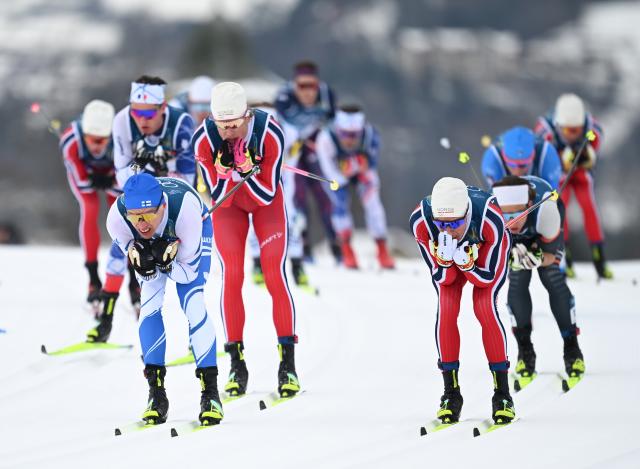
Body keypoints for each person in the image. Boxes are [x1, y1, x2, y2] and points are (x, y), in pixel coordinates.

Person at [194, 82, 300, 398]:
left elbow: (268, 193)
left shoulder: (270, 133)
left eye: (234, 125)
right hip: (230, 208)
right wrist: (227, 175)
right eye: (221, 126)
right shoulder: (204, 139)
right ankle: (236, 365)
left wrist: (246, 170)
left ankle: (288, 365)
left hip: (266, 204)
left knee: (273, 275)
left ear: (247, 115)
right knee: (233, 276)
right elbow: (218, 199)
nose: (228, 132)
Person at [106, 173, 222, 426]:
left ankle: (210, 394)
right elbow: (137, 256)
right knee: (148, 306)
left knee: (193, 304)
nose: (142, 224)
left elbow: (187, 274)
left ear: (163, 206)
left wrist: (166, 263)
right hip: (163, 243)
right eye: (135, 215)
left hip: (189, 230)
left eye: (148, 215)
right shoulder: (117, 219)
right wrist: (146, 263)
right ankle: (156, 395)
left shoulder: (184, 212)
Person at [410, 177, 514, 425]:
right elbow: (442, 279)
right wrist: (446, 262)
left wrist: (468, 265)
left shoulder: (490, 218)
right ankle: (451, 394)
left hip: (483, 260)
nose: (447, 230)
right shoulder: (421, 222)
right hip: (457, 262)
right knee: (446, 310)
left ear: (466, 214)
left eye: (454, 223)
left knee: (484, 308)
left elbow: (485, 280)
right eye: (441, 224)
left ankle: (502, 394)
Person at [492, 175, 585, 388]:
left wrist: (538, 257)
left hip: (542, 231)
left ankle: (572, 348)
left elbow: (552, 258)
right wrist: (508, 255)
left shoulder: (546, 212)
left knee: (551, 276)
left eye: (517, 213)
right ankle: (525, 351)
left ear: (530, 206)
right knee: (517, 276)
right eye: (506, 215)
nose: (512, 221)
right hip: (517, 237)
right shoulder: (494, 215)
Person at [60, 99, 140, 322]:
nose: (95, 145)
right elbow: (81, 181)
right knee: (90, 207)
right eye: (91, 140)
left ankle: (134, 279)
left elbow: (125, 176)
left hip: (112, 176)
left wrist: (110, 180)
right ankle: (93, 278)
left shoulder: (122, 138)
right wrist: (94, 179)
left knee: (122, 214)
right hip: (85, 176)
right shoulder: (71, 140)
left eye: (101, 140)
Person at [534, 93, 611, 279]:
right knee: (562, 206)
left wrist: (587, 155)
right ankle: (564, 257)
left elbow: (596, 145)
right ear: (559, 125)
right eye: (568, 131)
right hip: (559, 172)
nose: (573, 135)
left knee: (588, 204)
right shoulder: (545, 130)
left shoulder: (592, 127)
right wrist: (560, 161)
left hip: (580, 170)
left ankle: (599, 257)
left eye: (576, 130)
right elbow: (540, 155)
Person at [275, 61, 340, 262]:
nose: (307, 92)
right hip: (292, 151)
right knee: (298, 197)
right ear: (294, 85)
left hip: (314, 148)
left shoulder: (326, 95)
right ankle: (303, 248)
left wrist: (322, 142)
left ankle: (338, 248)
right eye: (302, 86)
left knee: (325, 197)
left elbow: (333, 123)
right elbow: (280, 127)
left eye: (311, 86)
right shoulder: (283, 97)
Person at [316, 105, 395, 269]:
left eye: (354, 135)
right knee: (339, 205)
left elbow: (371, 164)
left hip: (361, 173)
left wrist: (356, 166)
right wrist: (343, 175)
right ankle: (346, 249)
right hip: (336, 173)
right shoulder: (326, 137)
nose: (349, 140)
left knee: (373, 204)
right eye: (344, 134)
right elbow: (327, 169)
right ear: (338, 129)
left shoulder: (371, 135)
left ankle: (382, 249)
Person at [246, 102, 310, 288]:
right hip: (255, 182)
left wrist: (279, 160)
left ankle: (297, 266)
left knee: (289, 219)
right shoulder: (246, 130)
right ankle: (258, 265)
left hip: (283, 182)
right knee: (253, 220)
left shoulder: (290, 132)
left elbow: (293, 157)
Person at [113, 75, 196, 188]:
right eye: (136, 113)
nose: (142, 121)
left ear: (163, 107)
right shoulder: (122, 121)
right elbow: (122, 181)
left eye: (148, 114)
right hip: (140, 184)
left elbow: (188, 183)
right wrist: (138, 165)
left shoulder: (181, 124)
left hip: (172, 183)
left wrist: (164, 171)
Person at [481, 126, 561, 189]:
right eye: (512, 164)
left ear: (533, 156)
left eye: (523, 165)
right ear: (503, 157)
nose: (517, 171)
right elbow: (494, 197)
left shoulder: (547, 154)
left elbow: (553, 194)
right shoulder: (491, 159)